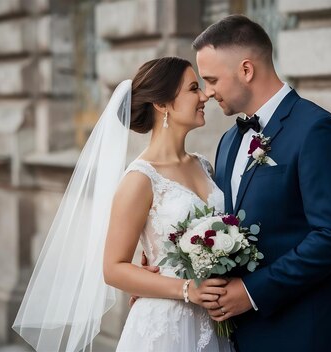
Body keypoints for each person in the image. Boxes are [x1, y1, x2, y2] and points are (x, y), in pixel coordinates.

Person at [13, 57, 234, 352]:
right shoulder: (140, 178)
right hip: (167, 326)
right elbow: (113, 269)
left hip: (214, 320)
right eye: (194, 88)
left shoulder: (204, 165)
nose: (205, 95)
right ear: (163, 104)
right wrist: (186, 289)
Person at [193, 14, 331, 352]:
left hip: (304, 331)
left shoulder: (317, 130)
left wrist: (254, 292)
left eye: (211, 79)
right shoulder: (228, 142)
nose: (207, 93)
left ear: (246, 70)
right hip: (242, 335)